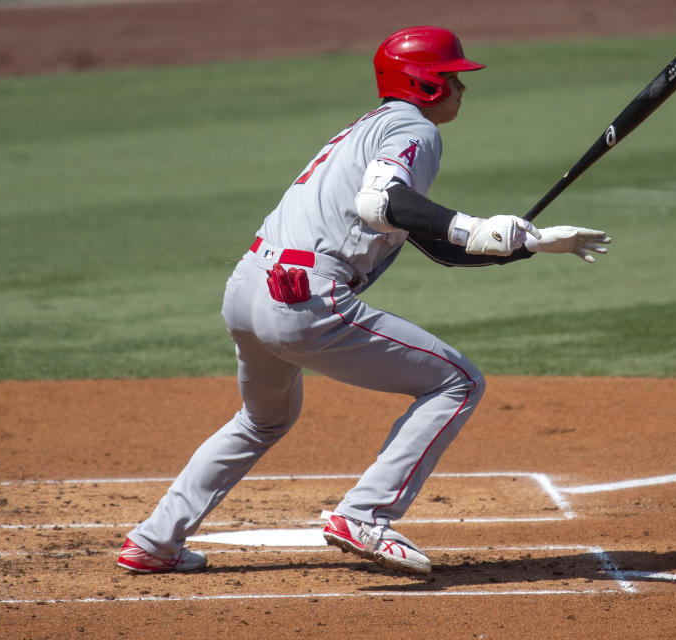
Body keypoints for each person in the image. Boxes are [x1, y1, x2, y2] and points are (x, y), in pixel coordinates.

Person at [116, 25, 610, 576]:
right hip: (303, 302)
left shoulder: (370, 130)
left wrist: (531, 242)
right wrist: (480, 226)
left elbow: (438, 245)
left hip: (248, 290)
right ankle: (364, 515)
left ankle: (154, 541)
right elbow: (384, 204)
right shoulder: (414, 130)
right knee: (458, 382)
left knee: (262, 421)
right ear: (424, 84)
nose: (462, 89)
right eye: (452, 78)